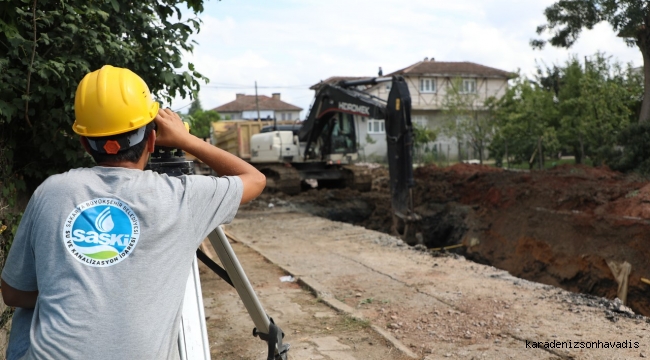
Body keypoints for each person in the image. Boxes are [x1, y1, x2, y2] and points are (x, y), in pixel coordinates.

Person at [1, 65, 266, 359]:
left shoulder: (50, 192)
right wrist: (185, 140)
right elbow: (255, 179)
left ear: (84, 143)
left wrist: (75, 287)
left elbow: (13, 294)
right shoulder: (183, 197)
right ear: (152, 140)